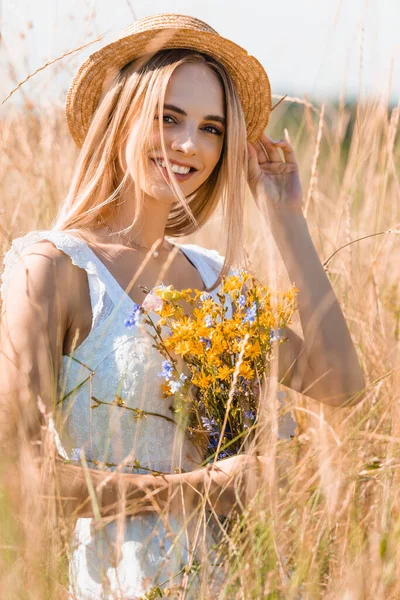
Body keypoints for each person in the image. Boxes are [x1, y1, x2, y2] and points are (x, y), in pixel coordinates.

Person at [0, 13, 365, 599]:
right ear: (122, 116)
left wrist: (287, 222)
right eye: (168, 117)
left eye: (212, 128)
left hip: (242, 580)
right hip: (120, 584)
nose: (189, 144)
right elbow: (15, 479)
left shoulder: (213, 278)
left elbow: (341, 384)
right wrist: (193, 490)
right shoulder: (52, 268)